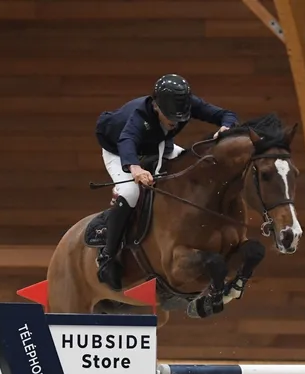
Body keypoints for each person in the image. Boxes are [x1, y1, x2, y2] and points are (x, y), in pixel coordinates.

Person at [93, 74, 239, 290]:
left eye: (179, 118)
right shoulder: (140, 115)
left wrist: (227, 127)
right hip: (118, 150)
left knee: (194, 166)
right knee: (130, 193)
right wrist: (135, 169)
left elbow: (226, 114)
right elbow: (127, 142)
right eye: (170, 117)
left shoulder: (186, 105)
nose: (174, 123)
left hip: (157, 144)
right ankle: (107, 256)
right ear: (156, 106)